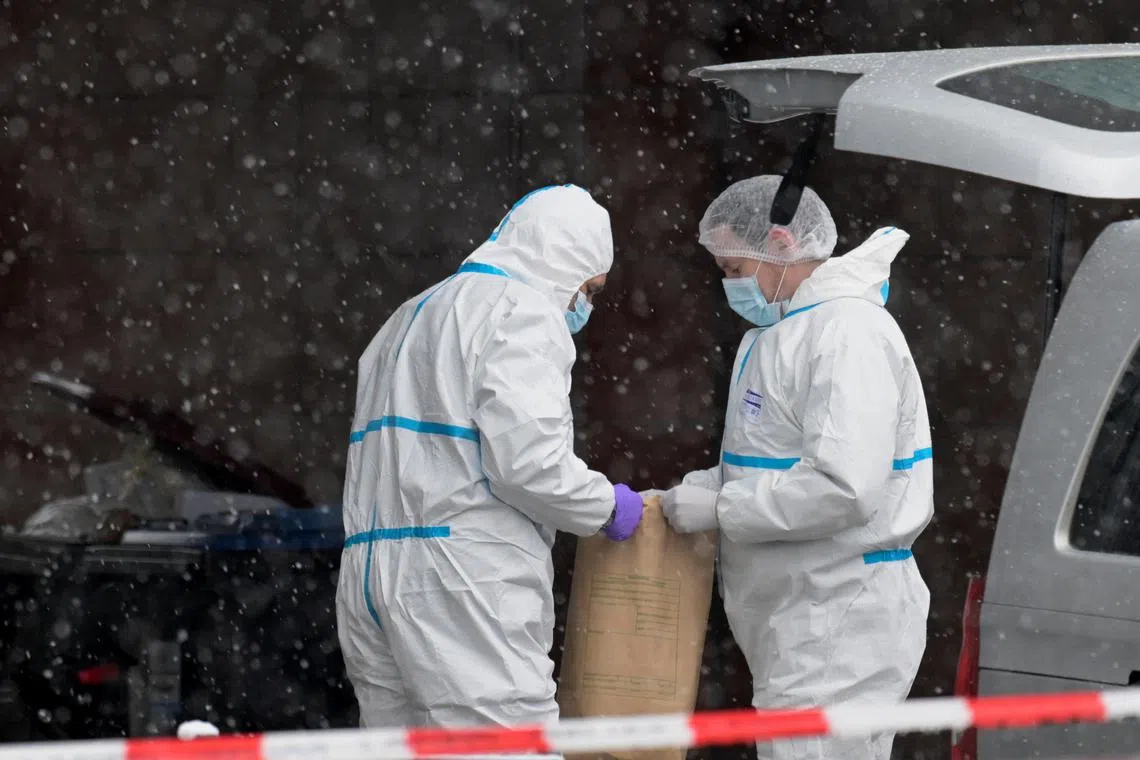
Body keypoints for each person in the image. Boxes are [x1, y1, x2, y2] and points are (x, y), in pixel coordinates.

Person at [336, 184, 645, 730]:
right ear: (562, 264)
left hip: (371, 574)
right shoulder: (522, 312)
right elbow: (528, 464)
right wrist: (604, 506)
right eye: (589, 288)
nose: (585, 305)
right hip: (462, 579)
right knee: (504, 743)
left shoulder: (410, 313)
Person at [658, 175, 933, 760]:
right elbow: (773, 459)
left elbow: (844, 488)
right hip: (800, 617)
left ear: (781, 246)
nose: (727, 285)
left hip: (840, 616)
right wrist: (700, 491)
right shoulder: (779, 333)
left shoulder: (847, 333)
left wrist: (722, 508)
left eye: (733, 269)